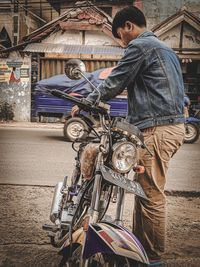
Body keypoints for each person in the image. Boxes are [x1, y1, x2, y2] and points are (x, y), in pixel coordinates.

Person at [71, 6, 185, 267]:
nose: (122, 42)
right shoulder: (165, 49)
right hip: (166, 126)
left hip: (158, 129)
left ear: (129, 26)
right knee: (143, 191)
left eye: (120, 35)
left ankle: (153, 259)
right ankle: (139, 250)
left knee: (152, 194)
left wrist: (88, 102)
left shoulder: (140, 46)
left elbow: (116, 81)